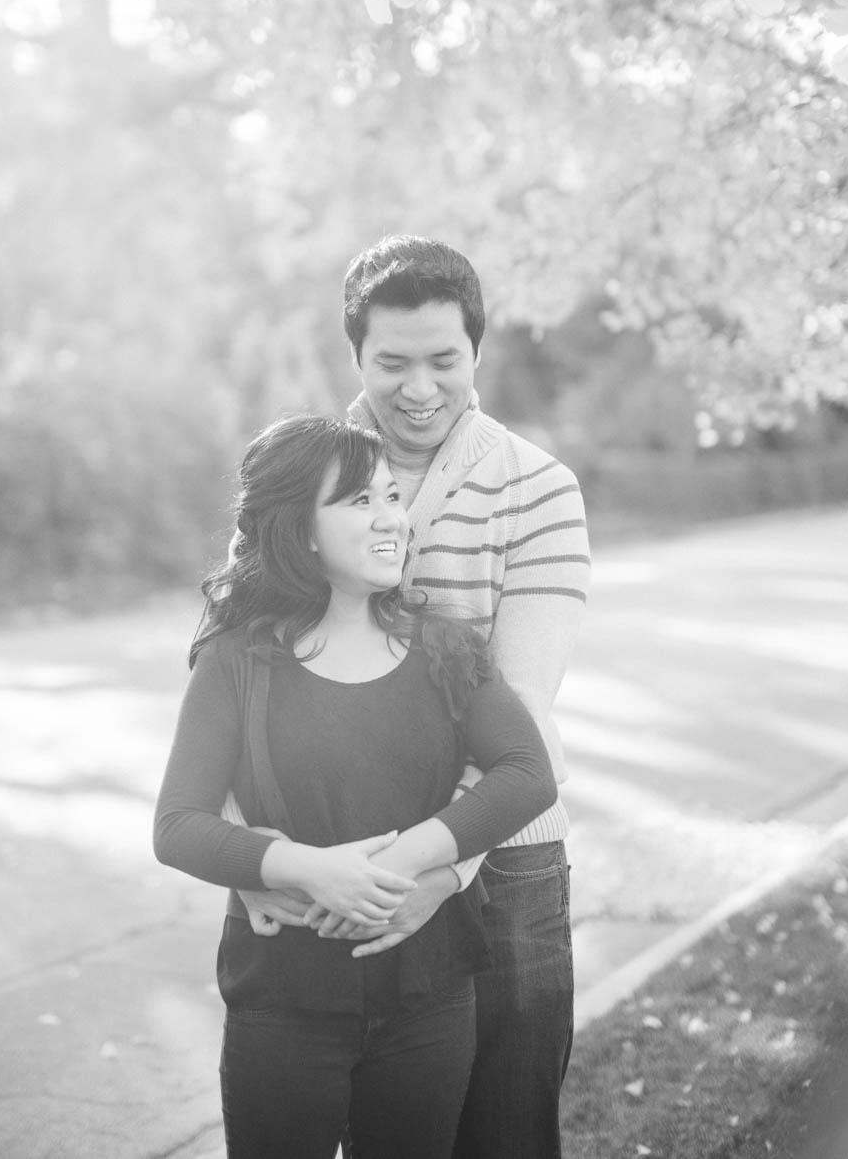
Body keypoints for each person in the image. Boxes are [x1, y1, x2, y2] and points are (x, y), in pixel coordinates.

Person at [235, 237, 590, 1159]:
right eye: (393, 362)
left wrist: (438, 872)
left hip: (502, 865)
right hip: (337, 861)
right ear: (356, 353)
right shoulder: (300, 476)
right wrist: (251, 854)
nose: (420, 388)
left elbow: (520, 705)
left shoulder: (540, 489)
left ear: (478, 351)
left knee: (505, 1134)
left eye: (444, 359)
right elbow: (240, 665)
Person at [153, 413, 558, 1159]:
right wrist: (309, 870)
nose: (391, 519)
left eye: (392, 497)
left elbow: (528, 774)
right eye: (361, 501)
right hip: (282, 1004)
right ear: (301, 530)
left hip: (430, 998)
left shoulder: (445, 648)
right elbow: (177, 824)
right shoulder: (236, 662)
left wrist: (400, 864)